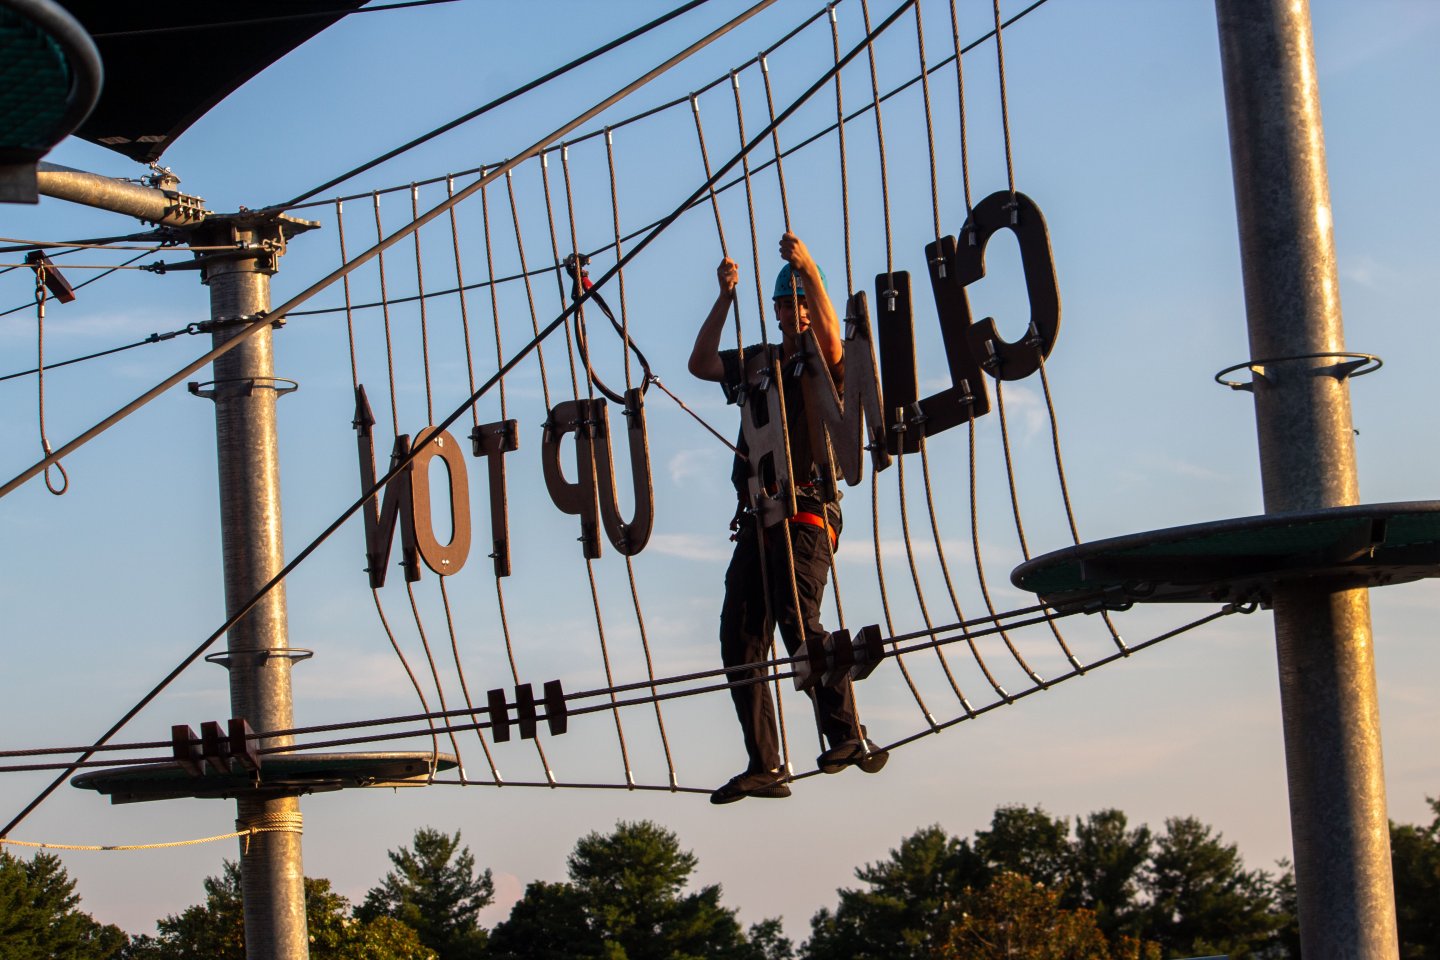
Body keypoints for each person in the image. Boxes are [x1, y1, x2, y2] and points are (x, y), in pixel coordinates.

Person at [689, 232, 887, 804]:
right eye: (786, 302)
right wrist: (726, 298)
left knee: (800, 627)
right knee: (740, 638)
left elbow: (830, 338)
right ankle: (765, 763)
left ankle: (847, 735)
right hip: (758, 518)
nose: (794, 310)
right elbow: (700, 362)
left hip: (805, 511)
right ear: (775, 310)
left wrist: (809, 270)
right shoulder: (759, 363)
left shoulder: (822, 366)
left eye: (800, 301)